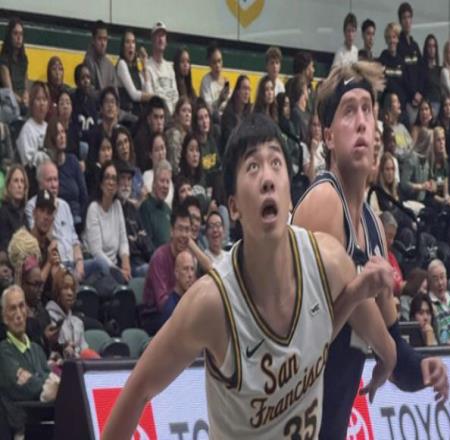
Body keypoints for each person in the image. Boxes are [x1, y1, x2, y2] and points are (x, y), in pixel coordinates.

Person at [102, 112, 396, 439]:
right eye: (253, 167)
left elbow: (325, 338)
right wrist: (364, 313)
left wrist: (382, 345)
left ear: (290, 194)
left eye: (276, 163)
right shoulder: (211, 304)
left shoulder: (328, 261)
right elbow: (138, 389)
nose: (267, 178)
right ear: (234, 207)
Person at [292, 62, 449, 439]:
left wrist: (421, 369)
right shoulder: (324, 202)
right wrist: (385, 345)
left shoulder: (374, 225)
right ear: (328, 136)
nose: (362, 121)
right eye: (349, 111)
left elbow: (390, 347)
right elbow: (308, 338)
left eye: (368, 109)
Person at [25, 160, 88, 282]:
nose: (54, 185)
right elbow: (42, 238)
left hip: (74, 263)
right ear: (40, 184)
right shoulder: (33, 206)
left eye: (56, 179)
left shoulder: (65, 205)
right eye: (49, 180)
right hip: (57, 265)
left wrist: (80, 263)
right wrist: (52, 209)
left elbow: (74, 241)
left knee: (100, 265)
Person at [0, 285, 55, 402]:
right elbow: (25, 389)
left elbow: (51, 383)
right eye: (12, 309)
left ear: (27, 310)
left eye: (21, 306)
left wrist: (33, 379)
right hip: (18, 413)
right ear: (4, 318)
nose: (19, 314)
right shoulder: (3, 352)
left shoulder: (37, 349)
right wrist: (44, 383)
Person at [83, 161, 131, 283]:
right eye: (107, 178)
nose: (111, 182)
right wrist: (118, 271)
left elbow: (123, 240)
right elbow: (96, 252)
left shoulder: (117, 205)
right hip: (97, 268)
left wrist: (126, 263)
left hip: (116, 268)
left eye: (114, 179)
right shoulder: (93, 209)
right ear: (101, 183)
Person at [142, 203, 192, 314]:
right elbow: (163, 304)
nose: (184, 234)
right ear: (171, 231)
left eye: (187, 230)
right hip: (156, 316)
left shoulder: (188, 258)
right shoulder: (159, 257)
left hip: (180, 313)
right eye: (180, 229)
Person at [44, 117, 88, 232]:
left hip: (76, 219)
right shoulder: (48, 166)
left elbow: (84, 195)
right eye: (58, 133)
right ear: (51, 138)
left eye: (63, 132)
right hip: (56, 220)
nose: (62, 136)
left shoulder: (73, 160)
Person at [116, 160, 153, 278]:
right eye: (123, 178)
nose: (126, 183)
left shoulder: (133, 208)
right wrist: (136, 239)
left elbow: (145, 240)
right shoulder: (113, 207)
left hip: (141, 260)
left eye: (129, 179)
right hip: (126, 264)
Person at [45, 268, 89, 359]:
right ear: (57, 291)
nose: (70, 293)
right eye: (65, 288)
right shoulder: (46, 317)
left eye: (72, 289)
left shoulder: (78, 322)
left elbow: (85, 352)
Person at [397, 2, 423, 125]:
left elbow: (421, 71)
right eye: (404, 18)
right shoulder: (398, 45)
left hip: (419, 99)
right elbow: (402, 74)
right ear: (400, 21)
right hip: (407, 100)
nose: (407, 21)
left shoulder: (415, 45)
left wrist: (420, 92)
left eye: (409, 17)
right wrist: (413, 94)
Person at [116, 30, 153, 116]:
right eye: (127, 42)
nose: (131, 45)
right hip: (127, 115)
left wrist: (144, 65)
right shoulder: (121, 64)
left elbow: (148, 92)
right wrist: (155, 98)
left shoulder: (136, 69)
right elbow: (134, 95)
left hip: (138, 115)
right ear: (123, 47)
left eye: (133, 42)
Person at [145, 22, 178, 115]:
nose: (161, 39)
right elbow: (150, 97)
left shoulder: (170, 67)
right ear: (152, 40)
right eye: (158, 35)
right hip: (158, 116)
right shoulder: (147, 66)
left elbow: (175, 96)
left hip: (173, 117)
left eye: (163, 36)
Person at [139, 159, 172, 250]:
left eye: (168, 182)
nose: (165, 186)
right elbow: (147, 245)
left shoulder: (168, 210)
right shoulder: (145, 207)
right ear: (154, 183)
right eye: (162, 181)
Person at [16, 81, 50, 169]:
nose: (42, 103)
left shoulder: (49, 127)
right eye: (38, 99)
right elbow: (28, 163)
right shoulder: (27, 129)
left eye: (44, 99)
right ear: (32, 103)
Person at [378, 22, 407, 118]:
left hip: (400, 107)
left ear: (397, 39)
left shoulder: (401, 61)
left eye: (394, 37)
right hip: (386, 106)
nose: (391, 40)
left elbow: (404, 84)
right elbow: (383, 82)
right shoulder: (383, 58)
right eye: (389, 37)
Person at [0, 17, 29, 110]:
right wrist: (22, 101)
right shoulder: (3, 60)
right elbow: (9, 91)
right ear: (9, 36)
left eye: (21, 34)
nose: (19, 38)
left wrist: (26, 95)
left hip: (22, 102)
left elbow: (26, 85)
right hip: (9, 103)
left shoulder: (23, 59)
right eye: (15, 33)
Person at [0, 164, 29, 253]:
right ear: (8, 186)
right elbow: (4, 245)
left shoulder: (24, 214)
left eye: (22, 181)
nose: (19, 185)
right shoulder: (3, 213)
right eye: (16, 181)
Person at [112, 126, 144, 204]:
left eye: (126, 141)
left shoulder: (137, 171)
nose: (124, 147)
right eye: (120, 144)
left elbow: (143, 194)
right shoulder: (113, 171)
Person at [161, 250, 196, 322]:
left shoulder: (195, 301)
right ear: (176, 273)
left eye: (192, 269)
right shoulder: (170, 308)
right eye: (185, 269)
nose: (190, 274)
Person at [86, 87, 120, 163]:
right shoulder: (94, 134)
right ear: (101, 108)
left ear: (117, 109)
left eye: (112, 102)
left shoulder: (121, 134)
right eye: (107, 102)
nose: (110, 105)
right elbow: (91, 161)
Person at [133, 96, 166, 172]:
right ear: (149, 119)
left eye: (161, 117)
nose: (159, 122)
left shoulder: (165, 135)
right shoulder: (140, 140)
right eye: (156, 117)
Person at [220, 75, 252, 152]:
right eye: (244, 88)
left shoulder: (250, 112)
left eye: (248, 89)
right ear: (237, 91)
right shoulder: (228, 113)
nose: (247, 92)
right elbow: (230, 139)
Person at [84, 20, 117, 91]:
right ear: (93, 40)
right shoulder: (88, 61)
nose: (103, 43)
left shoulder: (110, 66)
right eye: (100, 39)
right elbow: (90, 92)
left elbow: (115, 92)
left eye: (105, 39)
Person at [200, 42, 230, 116]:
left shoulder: (226, 81)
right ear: (209, 63)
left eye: (219, 61)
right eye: (214, 62)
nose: (217, 65)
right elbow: (209, 110)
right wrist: (220, 100)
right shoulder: (206, 82)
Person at [165, 96, 192, 175]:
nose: (187, 114)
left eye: (189, 111)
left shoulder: (190, 134)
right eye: (184, 110)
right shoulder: (174, 135)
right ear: (177, 115)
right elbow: (174, 166)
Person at [71, 63, 98, 135]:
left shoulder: (93, 101)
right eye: (83, 78)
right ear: (77, 82)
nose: (86, 81)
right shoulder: (72, 100)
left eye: (88, 77)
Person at [421, 34, 442, 118]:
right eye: (429, 46)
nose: (432, 49)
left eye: (434, 46)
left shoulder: (439, 70)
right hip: (428, 105)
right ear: (426, 48)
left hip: (439, 103)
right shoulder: (422, 68)